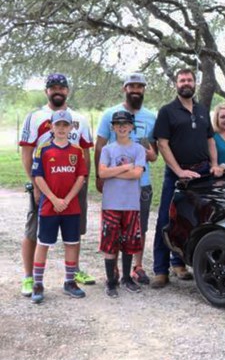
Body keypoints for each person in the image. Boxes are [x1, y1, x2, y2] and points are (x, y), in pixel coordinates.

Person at [19, 73, 96, 298]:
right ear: (46, 91)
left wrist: (85, 181)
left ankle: (73, 273)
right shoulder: (35, 117)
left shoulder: (79, 119)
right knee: (35, 230)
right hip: (44, 183)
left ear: (67, 91)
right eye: (53, 87)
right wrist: (34, 184)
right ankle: (29, 277)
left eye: (61, 87)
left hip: (73, 184)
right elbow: (26, 152)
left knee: (74, 231)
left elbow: (85, 152)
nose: (57, 91)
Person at [151, 68, 224, 288]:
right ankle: (160, 270)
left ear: (195, 83)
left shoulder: (202, 110)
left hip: (202, 173)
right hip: (177, 175)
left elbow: (210, 139)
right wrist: (179, 170)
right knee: (167, 219)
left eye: (189, 79)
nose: (186, 83)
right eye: (182, 79)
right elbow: (162, 144)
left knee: (195, 220)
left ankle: (179, 263)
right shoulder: (167, 111)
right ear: (176, 83)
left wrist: (213, 165)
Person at [95, 72, 158, 285]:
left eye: (139, 87)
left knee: (139, 227)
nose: (136, 90)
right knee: (114, 228)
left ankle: (137, 267)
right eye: (132, 86)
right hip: (116, 185)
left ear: (144, 90)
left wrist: (147, 154)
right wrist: (99, 175)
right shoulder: (110, 114)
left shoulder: (150, 117)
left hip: (141, 182)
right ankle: (113, 273)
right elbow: (100, 145)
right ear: (125, 88)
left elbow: (154, 154)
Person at [29, 110, 88, 303]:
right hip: (49, 206)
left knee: (72, 242)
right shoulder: (43, 150)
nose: (62, 129)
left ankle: (69, 281)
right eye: (58, 125)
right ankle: (38, 283)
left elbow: (81, 177)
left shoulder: (77, 151)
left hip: (71, 206)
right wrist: (54, 199)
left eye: (65, 125)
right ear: (51, 127)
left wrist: (68, 198)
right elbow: (38, 176)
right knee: (43, 243)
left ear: (71, 127)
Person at [97, 111, 146, 297]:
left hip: (131, 204)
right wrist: (125, 167)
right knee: (110, 242)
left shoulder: (138, 150)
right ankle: (111, 281)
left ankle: (126, 277)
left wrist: (112, 171)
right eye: (118, 124)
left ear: (132, 126)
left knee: (129, 242)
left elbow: (137, 174)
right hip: (111, 203)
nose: (122, 126)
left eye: (126, 123)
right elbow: (102, 174)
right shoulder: (108, 149)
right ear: (113, 127)